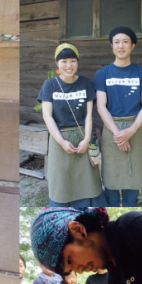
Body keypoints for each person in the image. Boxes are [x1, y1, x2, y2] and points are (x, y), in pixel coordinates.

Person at [94, 26, 142, 207]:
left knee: (133, 175)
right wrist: (118, 134)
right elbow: (101, 106)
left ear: (133, 46)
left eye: (125, 41)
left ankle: (130, 207)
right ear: (111, 46)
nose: (121, 46)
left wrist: (131, 130)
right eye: (116, 42)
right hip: (111, 128)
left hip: (135, 128)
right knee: (111, 177)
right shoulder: (102, 74)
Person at [38, 43, 105, 207]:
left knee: (87, 179)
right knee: (61, 180)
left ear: (78, 62)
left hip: (82, 135)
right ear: (57, 64)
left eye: (73, 61)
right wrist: (61, 141)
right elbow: (47, 116)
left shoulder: (86, 83)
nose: (69, 65)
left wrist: (86, 140)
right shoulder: (50, 85)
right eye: (64, 61)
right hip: (59, 138)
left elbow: (89, 115)